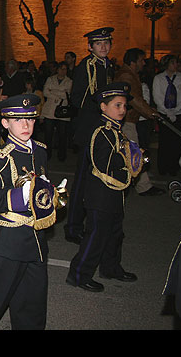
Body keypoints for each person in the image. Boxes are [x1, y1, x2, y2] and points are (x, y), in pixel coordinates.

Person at [0, 93, 60, 330]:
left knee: (33, 303)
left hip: (36, 241)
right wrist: (23, 195)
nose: (26, 125)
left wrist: (50, 196)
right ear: (5, 123)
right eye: (18, 120)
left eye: (30, 119)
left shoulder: (40, 151)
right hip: (10, 241)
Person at [66, 82, 139, 292]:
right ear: (103, 107)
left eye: (124, 106)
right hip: (100, 194)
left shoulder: (116, 131)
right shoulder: (101, 132)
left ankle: (111, 267)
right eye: (117, 105)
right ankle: (79, 274)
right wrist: (127, 158)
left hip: (114, 192)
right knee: (96, 235)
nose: (122, 110)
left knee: (115, 233)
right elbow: (103, 163)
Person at [65, 27, 114, 244]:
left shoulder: (107, 65)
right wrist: (100, 108)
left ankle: (93, 222)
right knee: (83, 179)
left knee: (100, 180)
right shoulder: (87, 66)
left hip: (104, 128)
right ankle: (73, 226)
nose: (103, 47)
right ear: (90, 47)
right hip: (90, 129)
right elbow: (77, 98)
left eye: (107, 43)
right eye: (99, 44)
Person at [115, 48, 163, 196]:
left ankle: (134, 184)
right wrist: (151, 113)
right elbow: (134, 99)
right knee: (134, 154)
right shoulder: (126, 76)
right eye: (141, 60)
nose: (144, 63)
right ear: (133, 62)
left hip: (128, 119)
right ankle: (143, 186)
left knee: (130, 154)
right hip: (126, 120)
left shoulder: (129, 74)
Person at [153, 54, 181, 177]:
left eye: (176, 63)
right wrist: (166, 111)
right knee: (165, 142)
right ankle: (163, 167)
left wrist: (176, 110)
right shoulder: (159, 79)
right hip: (164, 114)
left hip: (179, 114)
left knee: (177, 142)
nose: (175, 65)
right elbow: (157, 97)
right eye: (173, 63)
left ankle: (174, 167)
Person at [42, 61, 73, 162]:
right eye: (61, 69)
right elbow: (46, 92)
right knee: (48, 135)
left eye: (65, 69)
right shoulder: (50, 79)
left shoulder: (69, 82)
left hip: (62, 112)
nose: (63, 71)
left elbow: (67, 95)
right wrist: (58, 94)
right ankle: (47, 154)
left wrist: (53, 91)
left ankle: (61, 155)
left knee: (62, 135)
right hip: (50, 111)